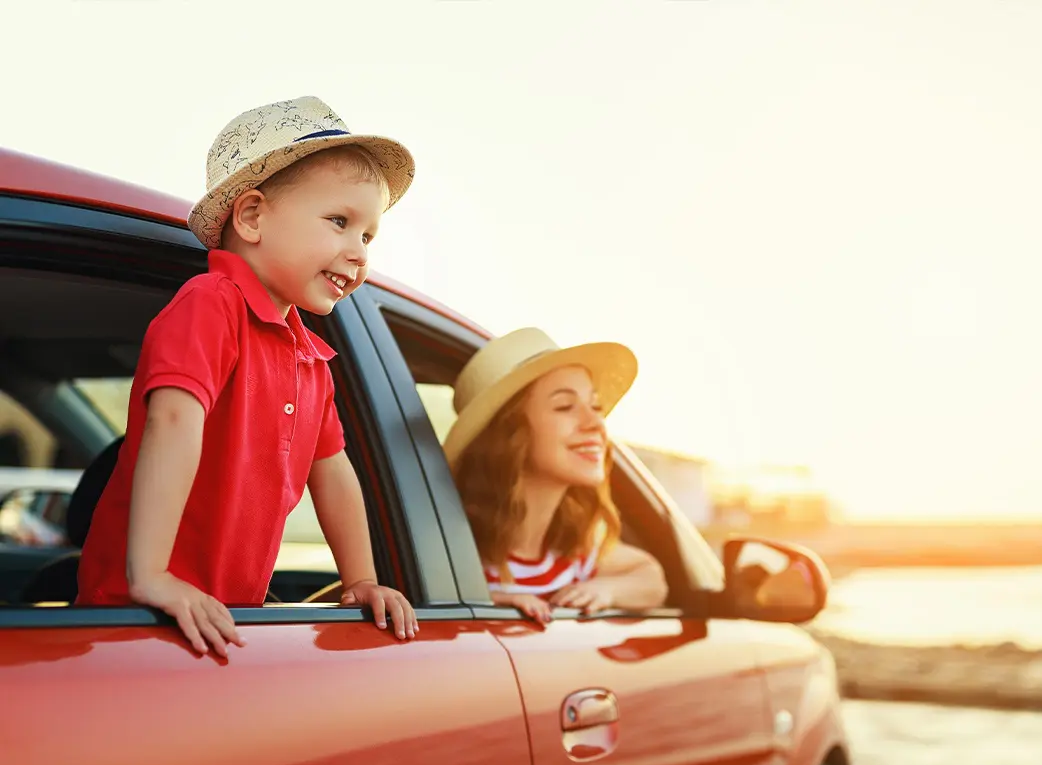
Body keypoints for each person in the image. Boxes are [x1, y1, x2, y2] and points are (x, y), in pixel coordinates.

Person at [76, 96, 418, 656]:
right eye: (340, 222)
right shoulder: (212, 303)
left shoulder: (312, 359)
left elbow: (333, 474)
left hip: (222, 624)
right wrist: (151, 575)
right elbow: (172, 421)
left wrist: (359, 578)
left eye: (368, 237)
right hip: (131, 620)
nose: (358, 254)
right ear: (253, 216)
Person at [444, 327, 668, 624]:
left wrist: (606, 590)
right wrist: (487, 599)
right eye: (565, 406)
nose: (596, 423)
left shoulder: (571, 551)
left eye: (596, 406)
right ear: (509, 436)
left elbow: (653, 579)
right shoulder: (453, 548)